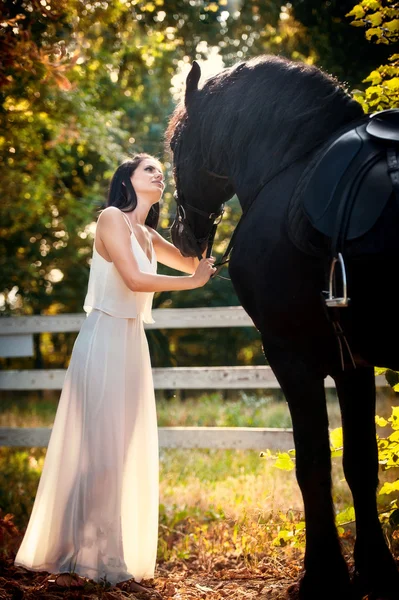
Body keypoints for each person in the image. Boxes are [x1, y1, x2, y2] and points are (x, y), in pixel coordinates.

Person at [14, 153, 215, 590]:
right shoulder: (111, 219)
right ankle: (73, 557)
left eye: (161, 172)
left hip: (132, 342)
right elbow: (134, 280)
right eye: (149, 169)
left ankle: (103, 554)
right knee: (98, 456)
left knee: (119, 456)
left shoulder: (148, 234)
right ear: (127, 179)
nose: (158, 174)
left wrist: (211, 215)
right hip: (104, 336)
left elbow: (193, 260)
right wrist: (193, 281)